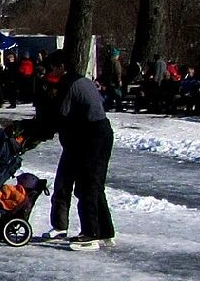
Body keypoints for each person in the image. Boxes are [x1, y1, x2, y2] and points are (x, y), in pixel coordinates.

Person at [43, 51, 117, 251]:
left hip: (92, 136)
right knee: (95, 184)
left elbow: (61, 114)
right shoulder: (82, 80)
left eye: (51, 67)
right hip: (101, 132)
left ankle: (90, 233)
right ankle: (105, 231)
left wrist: (40, 127)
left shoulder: (68, 84)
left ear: (60, 66)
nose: (50, 71)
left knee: (87, 185)